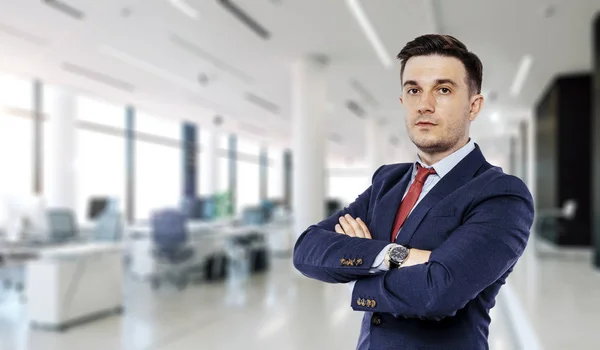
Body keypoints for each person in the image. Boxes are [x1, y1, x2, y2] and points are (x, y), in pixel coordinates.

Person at [292, 34, 534, 350]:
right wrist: (396, 255)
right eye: (414, 90)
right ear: (402, 101)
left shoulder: (501, 194)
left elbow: (438, 292)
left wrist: (361, 258)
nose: (425, 105)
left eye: (443, 90)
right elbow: (307, 249)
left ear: (474, 106)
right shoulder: (387, 181)